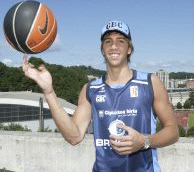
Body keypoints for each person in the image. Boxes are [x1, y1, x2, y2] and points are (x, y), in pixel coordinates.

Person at [23, 20, 179, 172]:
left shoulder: (150, 82)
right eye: (108, 42)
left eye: (121, 41)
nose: (114, 46)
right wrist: (49, 92)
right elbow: (74, 136)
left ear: (129, 49)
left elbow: (173, 132)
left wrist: (144, 141)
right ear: (102, 49)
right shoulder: (90, 89)